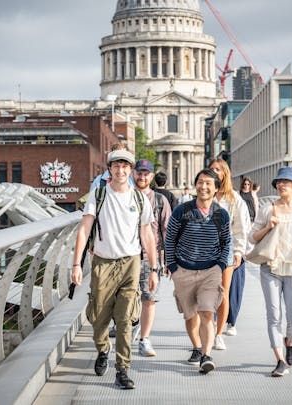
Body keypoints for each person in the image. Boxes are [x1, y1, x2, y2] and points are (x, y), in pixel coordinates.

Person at [71, 149, 159, 390]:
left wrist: (153, 268)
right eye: (116, 166)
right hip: (102, 263)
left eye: (125, 166)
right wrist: (76, 264)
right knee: (98, 317)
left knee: (125, 319)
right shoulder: (98, 195)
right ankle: (102, 349)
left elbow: (147, 234)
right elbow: (84, 229)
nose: (121, 171)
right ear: (109, 169)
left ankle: (122, 369)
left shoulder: (139, 199)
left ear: (130, 170)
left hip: (130, 263)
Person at [250, 166, 292, 377]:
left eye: (285, 182)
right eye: (279, 182)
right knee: (274, 315)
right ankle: (280, 360)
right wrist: (269, 226)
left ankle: (290, 342)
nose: (281, 185)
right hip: (271, 266)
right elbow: (253, 237)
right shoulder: (267, 209)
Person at [164, 168, 231, 374]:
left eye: (209, 183)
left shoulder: (221, 214)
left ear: (216, 188)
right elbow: (169, 240)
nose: (204, 187)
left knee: (206, 312)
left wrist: (220, 266)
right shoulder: (182, 211)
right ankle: (196, 346)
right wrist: (173, 268)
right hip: (183, 270)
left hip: (211, 271)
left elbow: (226, 242)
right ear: (196, 185)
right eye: (201, 182)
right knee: (190, 315)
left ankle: (206, 355)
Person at [208, 158, 251, 350]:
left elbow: (241, 228)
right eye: (212, 169)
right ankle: (206, 331)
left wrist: (239, 251)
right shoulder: (204, 195)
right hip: (204, 250)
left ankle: (218, 334)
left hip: (226, 249)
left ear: (225, 173)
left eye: (219, 169)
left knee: (223, 292)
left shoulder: (234, 198)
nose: (215, 172)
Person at [132, 158, 172, 357]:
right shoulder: (125, 197)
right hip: (127, 257)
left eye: (146, 173)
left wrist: (168, 261)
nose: (142, 176)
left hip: (151, 258)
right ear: (134, 173)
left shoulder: (159, 200)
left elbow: (168, 230)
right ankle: (132, 324)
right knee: (126, 299)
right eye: (139, 173)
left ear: (151, 176)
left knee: (149, 299)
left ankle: (144, 339)